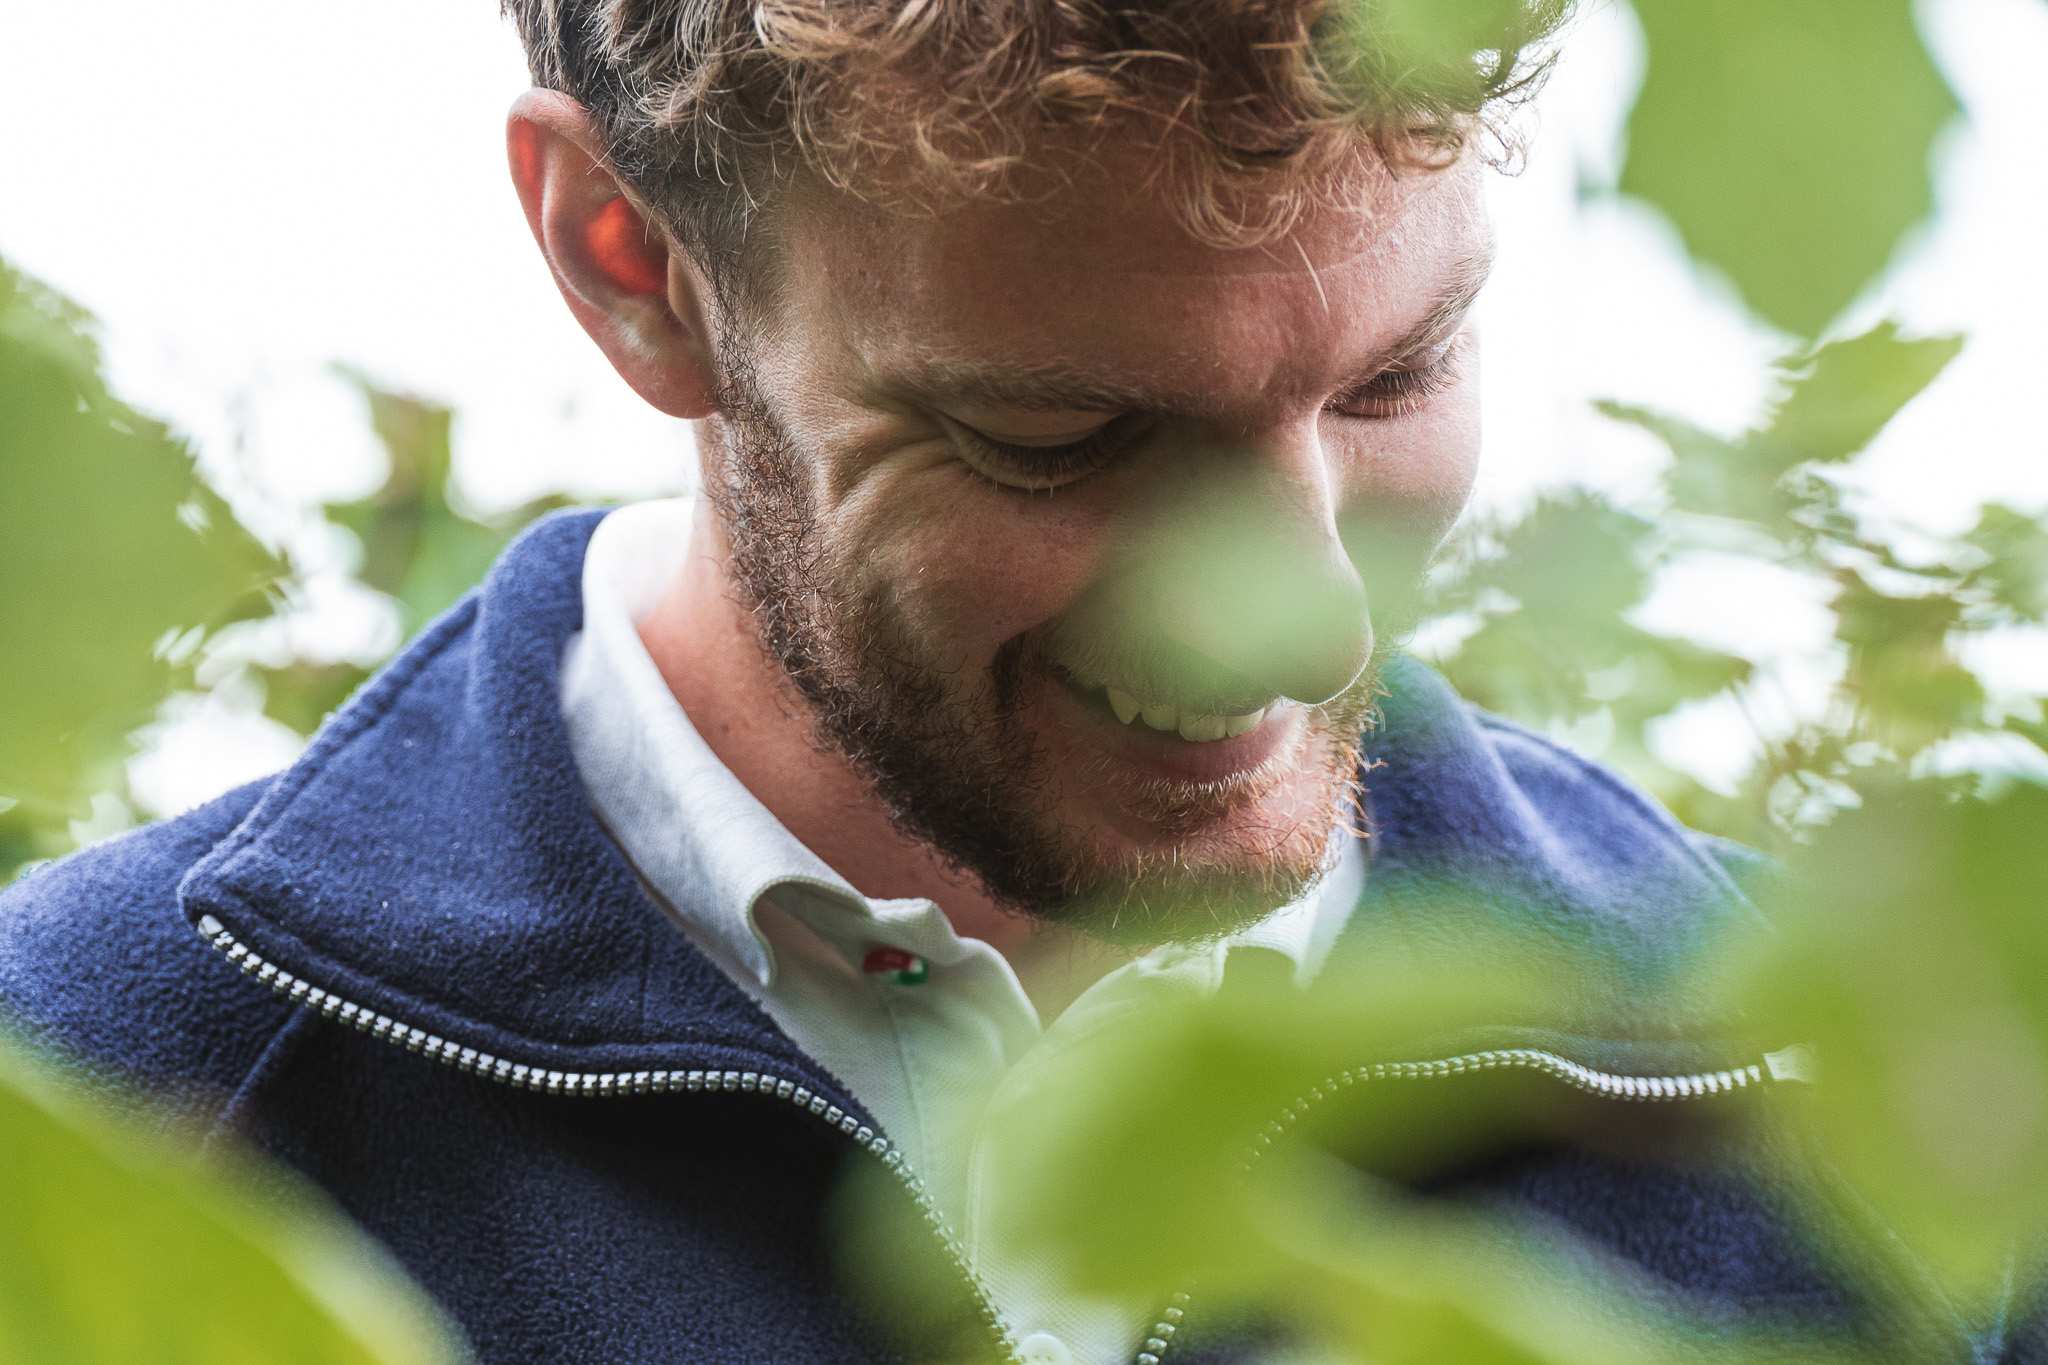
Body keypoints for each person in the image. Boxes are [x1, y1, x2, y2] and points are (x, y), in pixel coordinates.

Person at [0, 2, 2000, 1361]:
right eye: (1061, 437)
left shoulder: (1886, 1114)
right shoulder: (88, 1105)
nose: (1300, 617)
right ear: (631, 259)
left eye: (1393, 374)